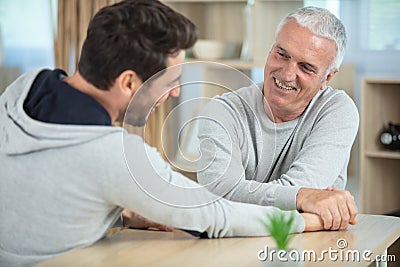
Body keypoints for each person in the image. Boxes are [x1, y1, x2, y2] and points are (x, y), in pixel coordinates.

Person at [0, 1, 328, 266]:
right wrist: (308, 220)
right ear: (129, 82)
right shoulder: (115, 155)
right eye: (169, 81)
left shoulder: (25, 89)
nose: (173, 94)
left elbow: (46, 190)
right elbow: (217, 215)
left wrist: (120, 214)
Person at [197, 6, 359, 231]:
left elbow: (301, 186)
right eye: (281, 55)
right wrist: (305, 205)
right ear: (271, 49)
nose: (287, 74)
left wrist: (245, 197)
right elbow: (219, 196)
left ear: (327, 77)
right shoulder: (222, 112)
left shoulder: (336, 110)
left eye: (306, 67)